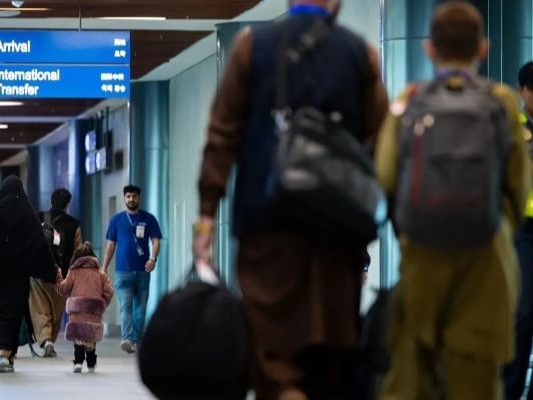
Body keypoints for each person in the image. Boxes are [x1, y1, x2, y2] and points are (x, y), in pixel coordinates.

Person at [193, 0, 388, 398]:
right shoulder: (360, 54)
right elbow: (383, 145)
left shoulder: (252, 47)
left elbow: (221, 136)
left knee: (272, 349)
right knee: (332, 352)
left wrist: (206, 218)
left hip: (268, 229)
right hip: (339, 233)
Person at [375, 2, 529, 398]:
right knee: (477, 381)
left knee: (411, 377)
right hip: (486, 255)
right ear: (483, 49)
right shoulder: (504, 103)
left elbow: (386, 177)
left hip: (423, 254)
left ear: (429, 49)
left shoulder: (408, 102)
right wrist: (498, 225)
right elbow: (518, 185)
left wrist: (410, 232)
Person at [0, 175, 58, 373]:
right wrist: (49, 271)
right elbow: (40, 247)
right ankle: (7, 353)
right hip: (18, 279)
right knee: (13, 316)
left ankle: (1, 353)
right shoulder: (28, 215)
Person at [102, 184, 162, 354]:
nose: (131, 199)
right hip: (123, 272)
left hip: (143, 271)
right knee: (125, 307)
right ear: (124, 198)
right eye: (128, 196)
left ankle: (135, 339)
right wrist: (104, 267)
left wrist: (153, 259)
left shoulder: (149, 219)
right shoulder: (116, 220)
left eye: (134, 196)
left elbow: (156, 241)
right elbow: (110, 245)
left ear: (139, 198)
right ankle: (128, 338)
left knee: (140, 310)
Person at [504, 61, 533, 400]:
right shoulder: (514, 126)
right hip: (523, 230)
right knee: (523, 313)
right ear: (522, 90)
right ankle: (510, 391)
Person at [30, 188, 82, 357]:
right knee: (56, 310)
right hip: (62, 274)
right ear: (67, 204)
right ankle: (50, 338)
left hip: (38, 272)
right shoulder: (74, 224)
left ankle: (46, 340)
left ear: (51, 201)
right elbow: (77, 252)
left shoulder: (37, 218)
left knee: (40, 307)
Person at [56, 241, 114, 373]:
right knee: (90, 339)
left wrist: (58, 277)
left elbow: (64, 289)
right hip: (93, 313)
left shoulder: (73, 272)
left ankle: (78, 362)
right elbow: (109, 292)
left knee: (79, 339)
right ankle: (91, 363)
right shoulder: (100, 274)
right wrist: (101, 304)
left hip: (77, 313)